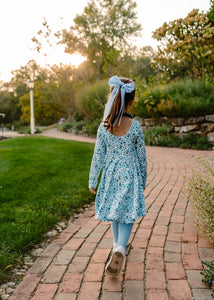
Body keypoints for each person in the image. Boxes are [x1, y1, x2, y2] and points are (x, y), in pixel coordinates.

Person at [89, 75, 147, 277]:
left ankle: (117, 245)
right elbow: (142, 157)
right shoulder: (136, 127)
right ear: (131, 102)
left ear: (112, 97)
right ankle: (120, 247)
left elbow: (98, 155)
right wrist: (144, 180)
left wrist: (92, 178)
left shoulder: (104, 126)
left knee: (115, 210)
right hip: (130, 175)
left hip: (111, 175)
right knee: (127, 212)